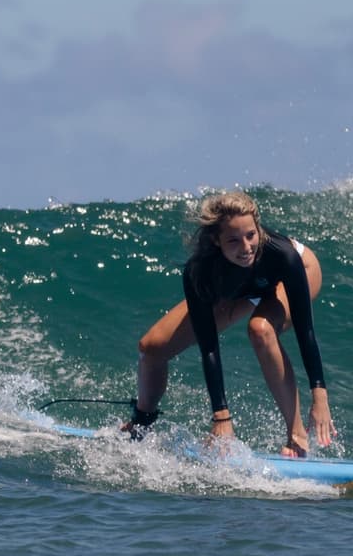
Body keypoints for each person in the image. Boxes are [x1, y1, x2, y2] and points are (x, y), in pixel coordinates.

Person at [121, 191, 337, 457]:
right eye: (233, 240)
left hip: (298, 271)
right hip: (243, 285)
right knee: (152, 347)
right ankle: (142, 422)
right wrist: (221, 417)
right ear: (216, 240)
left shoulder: (283, 255)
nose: (246, 247)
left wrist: (320, 396)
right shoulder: (198, 272)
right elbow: (208, 344)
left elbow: (306, 331)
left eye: (251, 235)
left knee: (261, 329)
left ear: (258, 227)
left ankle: (296, 435)